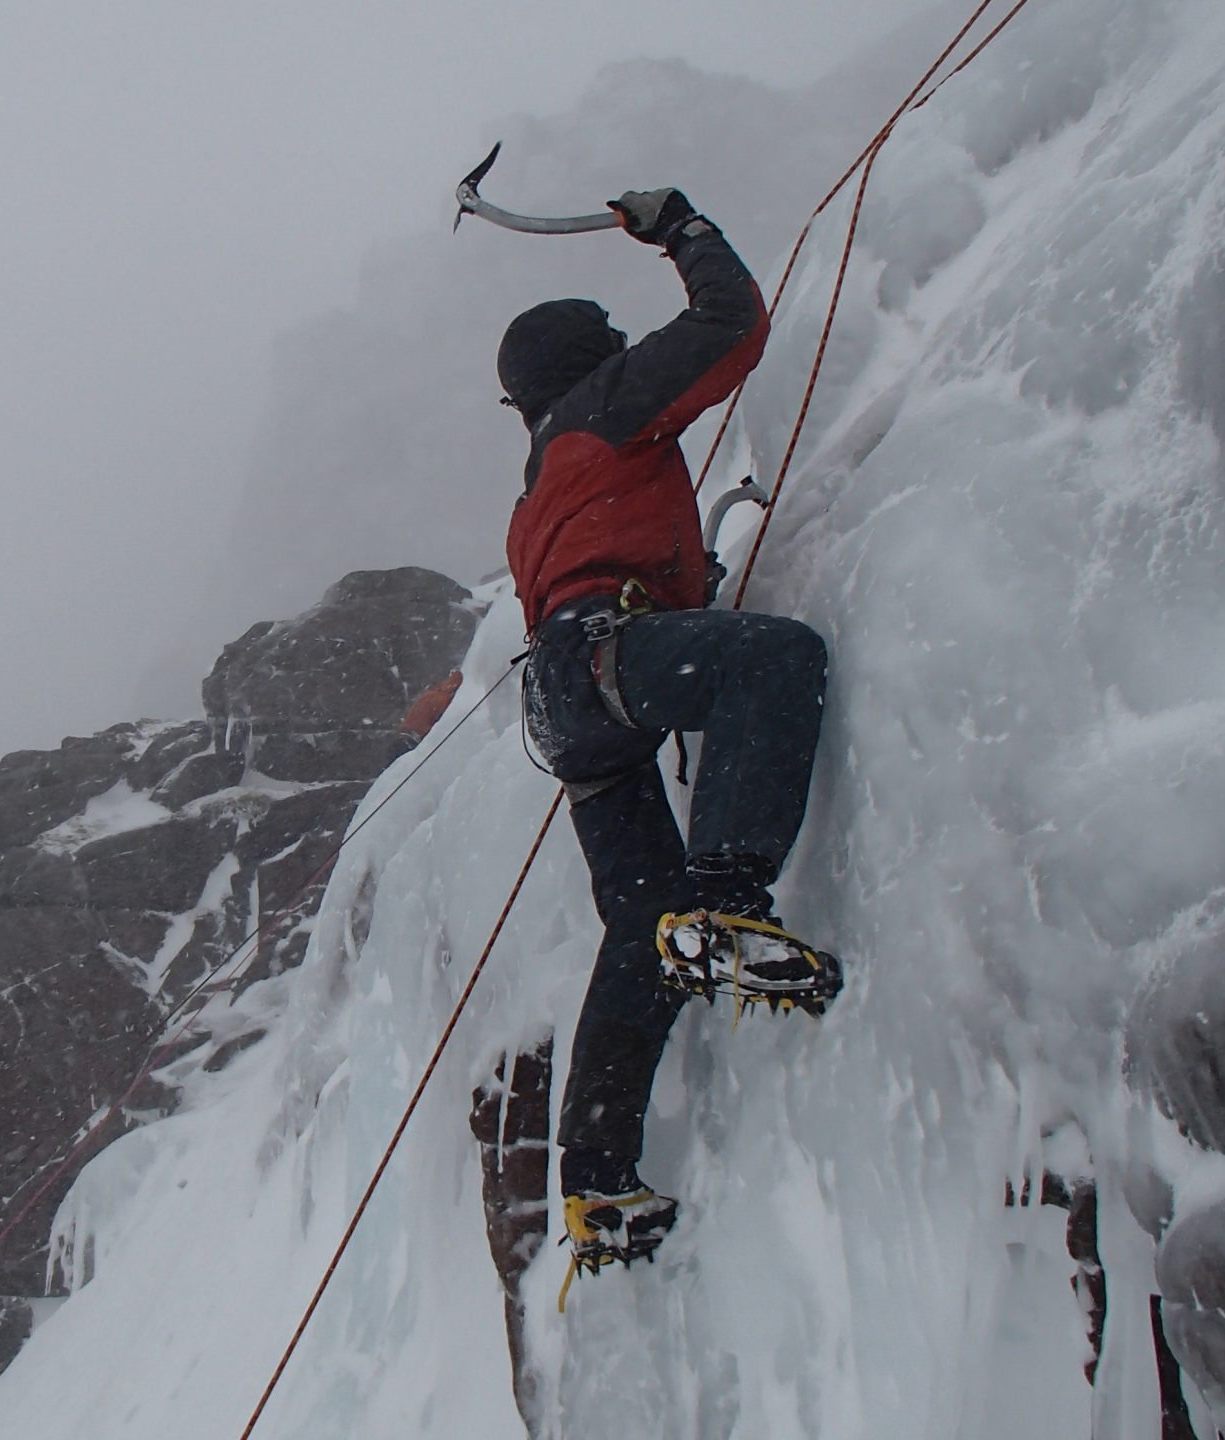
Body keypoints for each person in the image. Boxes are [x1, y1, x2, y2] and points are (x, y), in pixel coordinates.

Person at [498, 187, 834, 1276]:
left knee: (642, 930)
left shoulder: (538, 482)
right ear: (588, 361)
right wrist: (683, 231)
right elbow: (728, 327)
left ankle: (595, 1182)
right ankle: (731, 899)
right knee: (775, 660)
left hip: (565, 706)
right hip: (603, 660)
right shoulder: (602, 404)